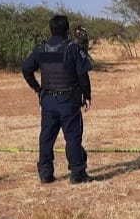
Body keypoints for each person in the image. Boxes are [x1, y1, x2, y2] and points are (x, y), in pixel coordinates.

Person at [22, 14, 92, 184]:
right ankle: (77, 174)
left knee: (46, 136)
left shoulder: (41, 49)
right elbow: (82, 75)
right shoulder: (73, 48)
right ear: (67, 30)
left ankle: (45, 173)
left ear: (50, 30)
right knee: (73, 137)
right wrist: (87, 95)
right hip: (68, 100)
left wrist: (38, 89)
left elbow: (26, 68)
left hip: (48, 100)